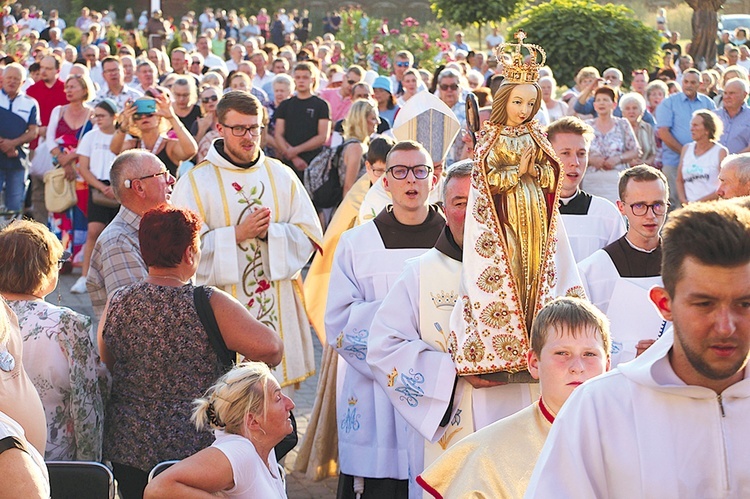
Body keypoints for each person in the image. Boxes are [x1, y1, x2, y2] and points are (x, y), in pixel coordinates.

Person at [528, 199, 750, 497]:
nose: (726, 326)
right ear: (664, 304)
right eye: (704, 304)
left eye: (745, 304)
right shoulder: (601, 408)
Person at [366, 160, 541, 496]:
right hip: (454, 419)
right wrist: (454, 372)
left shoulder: (531, 270)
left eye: (483, 200)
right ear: (443, 209)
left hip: (521, 417)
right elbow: (384, 348)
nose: (474, 212)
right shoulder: (418, 274)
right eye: (461, 203)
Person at [99, 205, 283, 499]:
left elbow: (106, 358)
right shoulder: (207, 301)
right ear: (188, 253)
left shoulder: (118, 300)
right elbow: (271, 348)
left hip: (128, 444)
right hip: (196, 446)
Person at [171, 91, 323, 393]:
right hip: (220, 314)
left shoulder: (282, 176)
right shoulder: (196, 182)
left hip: (276, 307)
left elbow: (309, 236)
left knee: (278, 411)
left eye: (254, 128)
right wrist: (235, 236)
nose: (249, 136)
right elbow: (180, 252)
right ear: (220, 128)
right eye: (239, 129)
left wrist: (271, 234)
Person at [453, 32, 583, 380]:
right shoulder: (491, 138)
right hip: (505, 217)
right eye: (518, 103)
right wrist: (518, 172)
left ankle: (535, 336)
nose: (524, 110)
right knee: (511, 264)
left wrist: (537, 170)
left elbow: (552, 172)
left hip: (537, 216)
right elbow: (485, 181)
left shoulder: (536, 134)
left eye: (530, 104)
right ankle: (510, 342)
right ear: (504, 101)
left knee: (536, 271)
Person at [327, 140, 445, 498]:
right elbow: (340, 321)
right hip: (376, 390)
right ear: (385, 182)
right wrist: (401, 335)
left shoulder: (457, 243)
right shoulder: (356, 243)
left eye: (419, 171)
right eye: (399, 171)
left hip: (440, 389)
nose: (411, 180)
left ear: (433, 179)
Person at [418, 297, 611, 498]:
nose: (577, 368)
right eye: (562, 353)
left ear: (607, 365)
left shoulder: (635, 436)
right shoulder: (489, 454)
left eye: (589, 354)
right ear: (534, 363)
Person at [0, 220, 104, 461]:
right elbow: (86, 408)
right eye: (57, 263)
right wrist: (91, 470)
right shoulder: (68, 324)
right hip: (54, 466)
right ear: (45, 270)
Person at [144, 362, 292, 498]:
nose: (290, 404)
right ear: (253, 421)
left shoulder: (263, 444)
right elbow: (158, 489)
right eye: (278, 398)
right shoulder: (240, 450)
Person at [578, 165, 669, 366]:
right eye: (639, 206)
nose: (650, 215)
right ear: (621, 207)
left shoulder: (681, 265)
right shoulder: (594, 270)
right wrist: (629, 353)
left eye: (658, 205)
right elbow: (584, 340)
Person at [86, 150, 175, 318]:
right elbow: (140, 317)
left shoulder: (153, 229)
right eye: (162, 174)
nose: (171, 180)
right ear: (139, 187)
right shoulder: (118, 242)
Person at [549, 117, 625, 263]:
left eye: (581, 154)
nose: (575, 162)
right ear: (548, 156)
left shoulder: (606, 214)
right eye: (565, 153)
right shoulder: (529, 212)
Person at [71, 98, 121, 294]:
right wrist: (101, 187)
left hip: (120, 188)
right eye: (95, 115)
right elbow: (83, 168)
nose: (97, 119)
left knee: (118, 235)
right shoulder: (90, 136)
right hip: (98, 187)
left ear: (114, 117)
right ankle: (85, 277)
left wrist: (116, 188)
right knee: (93, 232)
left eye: (102, 116)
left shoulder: (122, 136)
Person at [656, 68, 716, 208]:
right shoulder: (669, 103)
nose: (689, 85)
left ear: (700, 84)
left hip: (703, 162)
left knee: (697, 201)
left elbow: (714, 130)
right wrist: (686, 153)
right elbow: (663, 133)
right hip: (674, 161)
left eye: (693, 82)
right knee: (672, 201)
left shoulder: (708, 104)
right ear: (681, 82)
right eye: (686, 81)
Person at [111, 86, 198, 178]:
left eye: (149, 114)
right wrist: (124, 124)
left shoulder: (169, 146)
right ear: (135, 122)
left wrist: (172, 117)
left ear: (159, 118)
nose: (144, 117)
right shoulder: (133, 146)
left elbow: (191, 151)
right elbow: (115, 149)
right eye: (138, 116)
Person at [26, 54, 68, 224]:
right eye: (42, 67)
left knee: (60, 189)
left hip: (61, 149)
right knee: (38, 190)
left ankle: (59, 230)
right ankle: (41, 229)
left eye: (48, 68)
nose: (43, 71)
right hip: (36, 147)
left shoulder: (66, 89)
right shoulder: (31, 91)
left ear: (58, 70)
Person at [583, 86, 641, 203]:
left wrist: (618, 158)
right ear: (594, 105)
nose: (601, 103)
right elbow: (578, 151)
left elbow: (635, 151)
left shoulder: (622, 124)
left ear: (613, 105)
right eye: (598, 100)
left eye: (605, 100)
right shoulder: (586, 126)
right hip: (592, 180)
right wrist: (591, 160)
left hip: (616, 180)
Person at [275, 62, 331, 179]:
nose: (301, 81)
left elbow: (322, 136)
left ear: (313, 80)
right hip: (288, 161)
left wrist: (296, 150)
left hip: (313, 161)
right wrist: (293, 156)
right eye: (298, 77)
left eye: (305, 77)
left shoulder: (321, 105)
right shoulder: (285, 105)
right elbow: (278, 134)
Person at [0, 63, 39, 215]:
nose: (12, 81)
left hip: (17, 160)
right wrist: (4, 144)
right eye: (9, 77)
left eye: (16, 79)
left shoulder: (30, 103)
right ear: (2, 79)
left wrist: (12, 144)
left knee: (15, 205)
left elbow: (33, 131)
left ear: (23, 82)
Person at [676, 109, 727, 205]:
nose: (691, 129)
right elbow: (679, 179)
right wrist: (683, 200)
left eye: (696, 125)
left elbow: (724, 184)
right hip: (688, 207)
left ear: (707, 129)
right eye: (691, 125)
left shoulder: (720, 152)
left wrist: (698, 203)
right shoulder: (686, 148)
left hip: (711, 207)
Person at [620, 92, 656, 167]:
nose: (631, 111)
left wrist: (644, 163)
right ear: (623, 113)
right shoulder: (618, 128)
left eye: (635, 108)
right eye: (627, 108)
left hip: (644, 170)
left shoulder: (648, 127)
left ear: (642, 112)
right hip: (622, 169)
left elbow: (653, 153)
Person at [717, 78, 750, 154]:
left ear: (744, 95)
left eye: (732, 93)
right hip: (713, 163)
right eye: (725, 93)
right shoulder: (714, 115)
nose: (727, 97)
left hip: (742, 163)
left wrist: (731, 160)